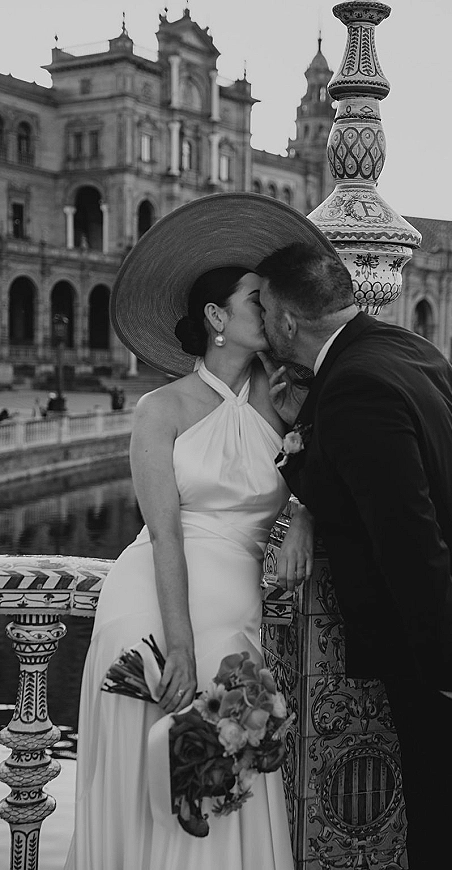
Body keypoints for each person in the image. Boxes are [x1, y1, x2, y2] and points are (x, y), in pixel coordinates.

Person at [257, 242, 452, 870]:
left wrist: (448, 672)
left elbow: (409, 537)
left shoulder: (356, 385)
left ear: (286, 321)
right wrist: (304, 440)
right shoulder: (407, 350)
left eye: (263, 308)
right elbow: (421, 483)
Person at [64, 194, 337, 870]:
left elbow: (328, 471)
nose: (269, 310)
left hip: (236, 593)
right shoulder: (161, 408)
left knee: (228, 771)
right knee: (152, 750)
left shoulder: (287, 401)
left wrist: (302, 515)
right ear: (217, 318)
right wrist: (179, 641)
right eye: (254, 299)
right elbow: (163, 533)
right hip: (154, 595)